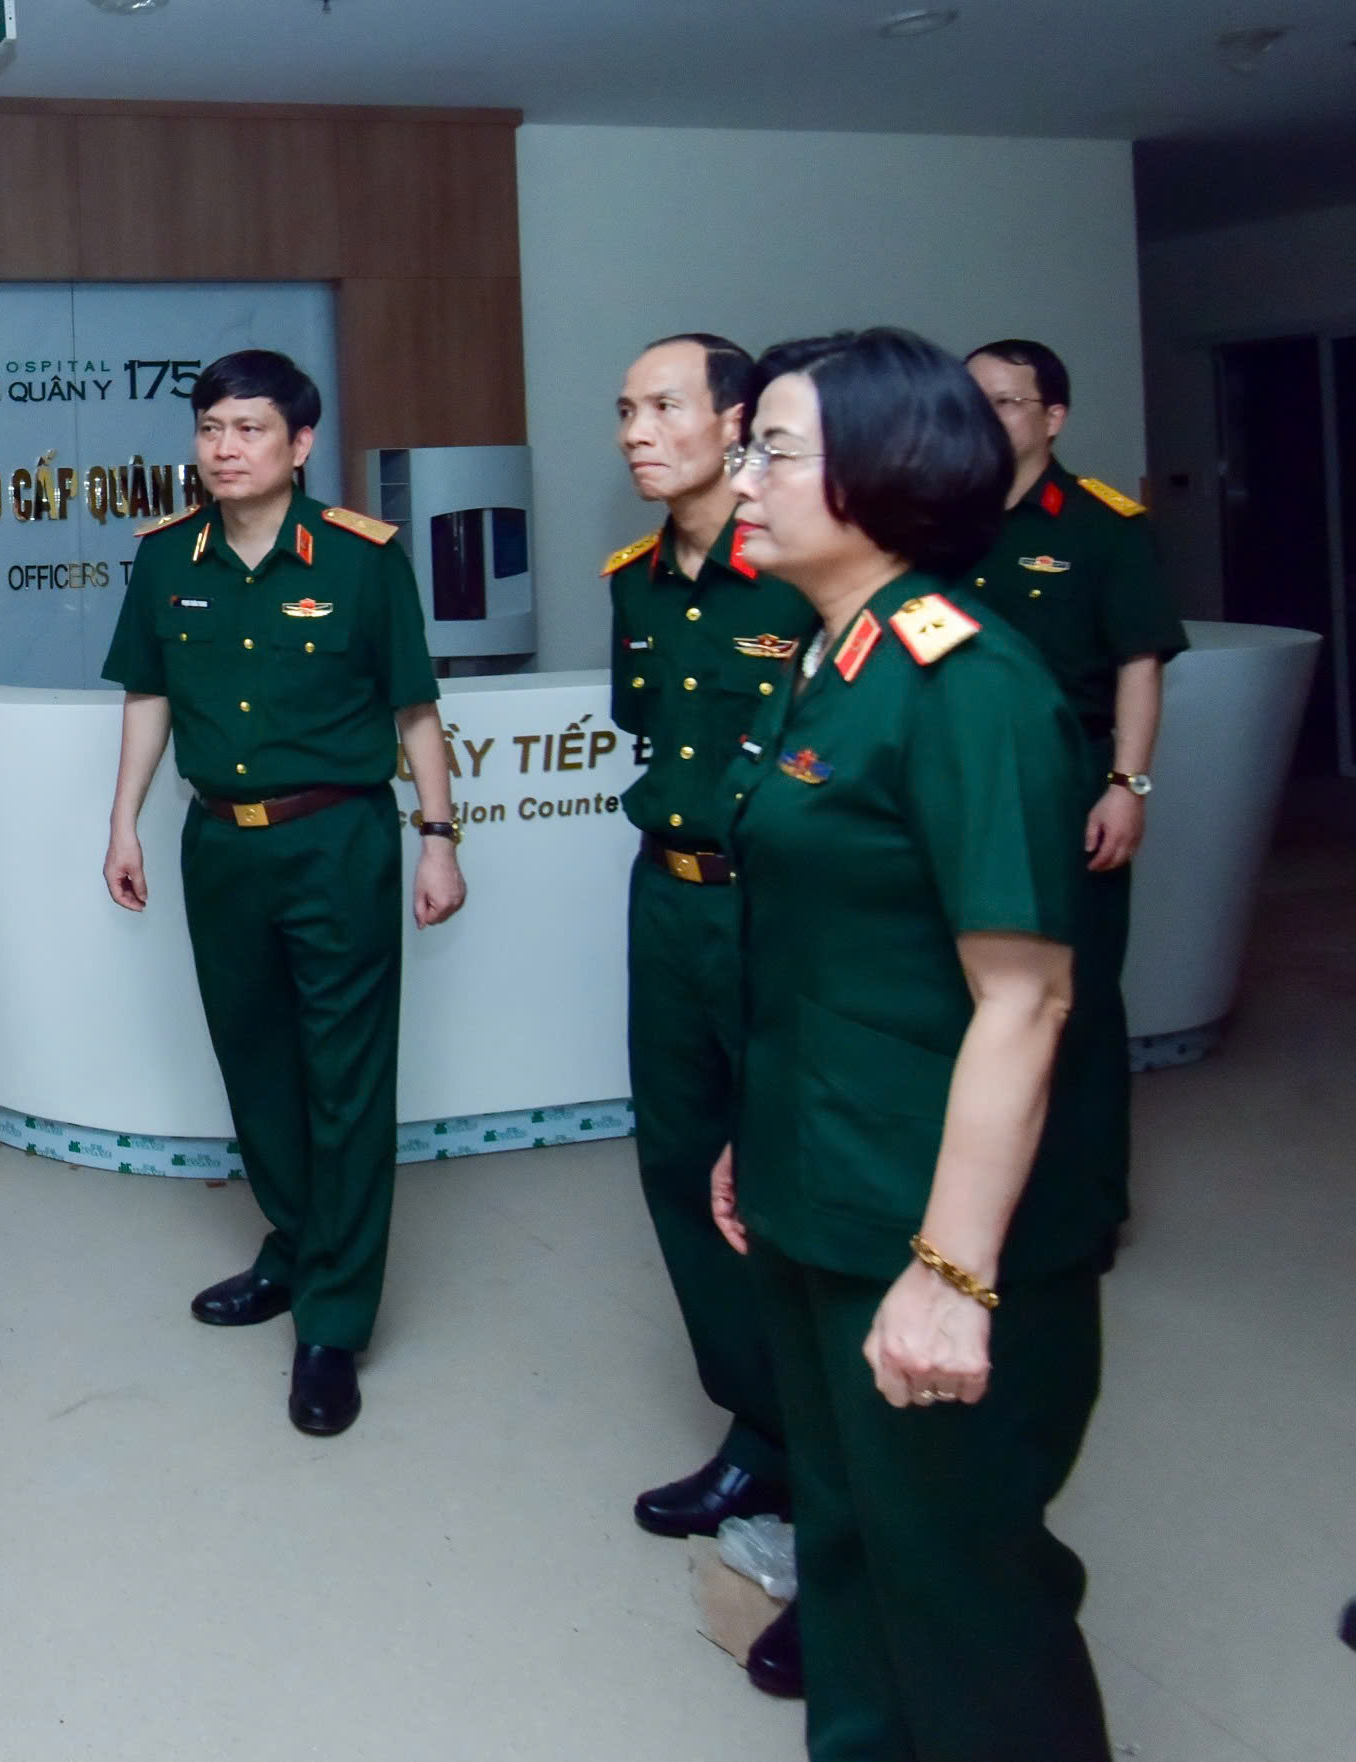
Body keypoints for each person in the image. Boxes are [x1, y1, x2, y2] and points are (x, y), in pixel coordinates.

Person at [713, 327, 1115, 1760]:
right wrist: (756, 1141)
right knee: (850, 1549)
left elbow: (1025, 1000)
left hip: (927, 1215)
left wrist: (950, 1274)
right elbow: (828, 952)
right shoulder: (830, 659)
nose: (739, 477)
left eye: (770, 449)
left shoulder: (969, 683)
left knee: (961, 1587)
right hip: (821, 1183)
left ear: (886, 474)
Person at [99, 349, 465, 1437]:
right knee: (255, 1061)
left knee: (344, 1075)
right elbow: (149, 696)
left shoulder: (360, 559)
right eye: (211, 428)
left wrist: (438, 840)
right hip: (220, 844)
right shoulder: (165, 557)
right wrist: (122, 821)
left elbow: (414, 710)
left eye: (249, 428)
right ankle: (298, 1245)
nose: (225, 448)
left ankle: (333, 1320)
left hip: (336, 839)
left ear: (300, 444)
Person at [603, 332, 816, 1693]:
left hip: (779, 904)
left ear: (737, 422)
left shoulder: (800, 564)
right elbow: (648, 727)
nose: (636, 430)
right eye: (625, 409)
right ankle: (761, 1433)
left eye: (664, 405)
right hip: (667, 895)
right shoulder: (636, 579)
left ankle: (838, 1496)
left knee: (795, 1183)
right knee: (683, 1166)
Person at [965, 339, 1188, 1234]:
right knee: (974, 995)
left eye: (1005, 402)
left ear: (1051, 417)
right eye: (970, 401)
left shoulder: (1102, 525)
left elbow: (1140, 663)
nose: (983, 419)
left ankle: (1086, 1213)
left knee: (1075, 1000)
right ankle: (985, 1208)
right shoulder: (936, 521)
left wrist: (1128, 785)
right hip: (961, 790)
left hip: (1067, 789)